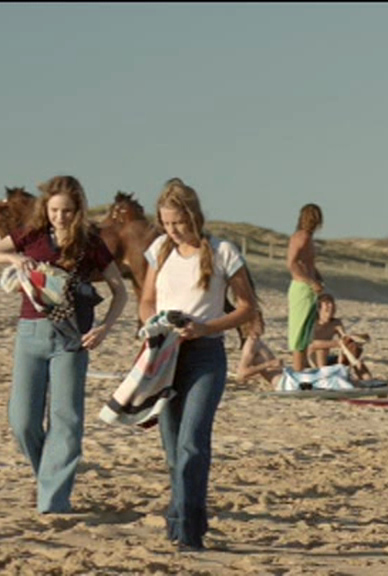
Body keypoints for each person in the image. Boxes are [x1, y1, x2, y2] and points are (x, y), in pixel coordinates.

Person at [0, 175, 128, 514]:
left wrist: (105, 327)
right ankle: (48, 476)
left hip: (73, 337)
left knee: (66, 420)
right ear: (46, 208)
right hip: (31, 334)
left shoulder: (90, 242)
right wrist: (13, 259)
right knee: (22, 420)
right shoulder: (31, 235)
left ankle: (53, 502)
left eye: (67, 211)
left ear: (78, 210)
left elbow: (120, 290)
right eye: (55, 210)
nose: (60, 217)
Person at [137, 178, 257, 551]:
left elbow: (247, 308)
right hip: (165, 354)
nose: (173, 231)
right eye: (166, 223)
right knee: (173, 446)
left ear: (194, 217)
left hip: (205, 354)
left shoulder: (223, 252)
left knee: (192, 442)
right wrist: (153, 325)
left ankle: (186, 532)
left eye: (179, 223)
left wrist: (205, 327)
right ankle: (187, 521)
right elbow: (146, 300)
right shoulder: (160, 250)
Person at [286, 203, 324, 371]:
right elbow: (291, 263)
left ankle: (303, 367)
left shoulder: (308, 238)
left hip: (309, 288)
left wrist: (318, 277)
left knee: (307, 331)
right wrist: (310, 281)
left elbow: (308, 263)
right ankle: (298, 370)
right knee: (299, 332)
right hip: (302, 287)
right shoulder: (301, 237)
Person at [308, 293, 373, 380]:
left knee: (353, 348)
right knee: (321, 350)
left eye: (332, 304)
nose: (331, 306)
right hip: (311, 360)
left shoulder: (336, 323)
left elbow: (344, 339)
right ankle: (324, 378)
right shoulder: (313, 323)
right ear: (319, 309)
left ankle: (368, 380)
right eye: (327, 304)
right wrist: (337, 343)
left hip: (327, 359)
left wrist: (352, 341)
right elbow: (311, 344)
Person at [236, 310, 285, 389]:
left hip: (285, 378)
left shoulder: (257, 342)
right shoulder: (251, 344)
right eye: (259, 322)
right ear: (250, 325)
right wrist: (269, 364)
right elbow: (241, 374)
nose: (263, 324)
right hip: (282, 383)